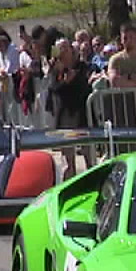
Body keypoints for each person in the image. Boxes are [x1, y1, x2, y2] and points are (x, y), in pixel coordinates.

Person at [45, 41, 94, 172]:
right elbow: (53, 88)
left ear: (72, 51)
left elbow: (87, 87)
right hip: (65, 114)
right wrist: (64, 81)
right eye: (60, 50)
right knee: (68, 162)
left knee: (88, 158)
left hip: (81, 112)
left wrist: (75, 78)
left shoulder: (82, 67)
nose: (63, 53)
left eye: (65, 49)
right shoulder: (56, 69)